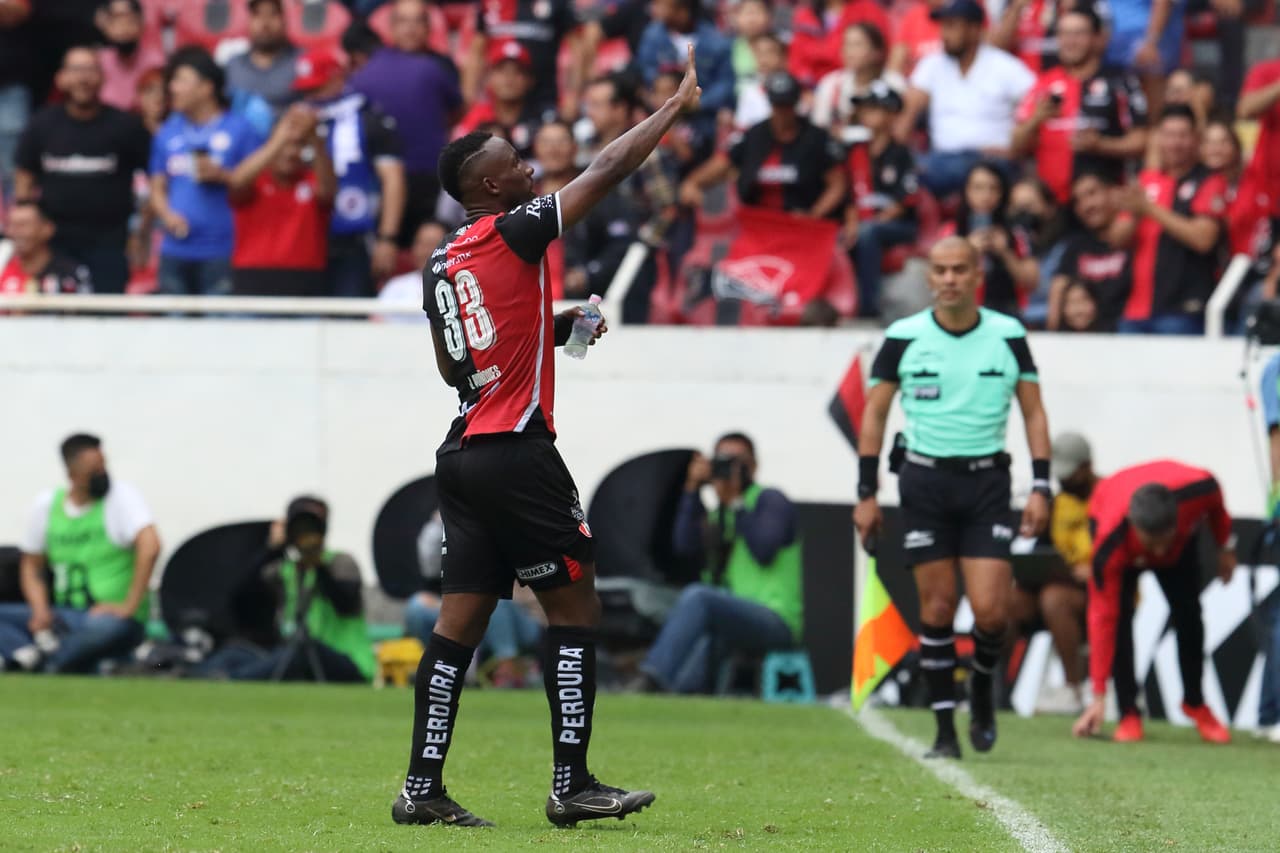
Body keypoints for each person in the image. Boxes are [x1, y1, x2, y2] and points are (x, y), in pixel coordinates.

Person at [391, 43, 702, 830]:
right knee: (574, 607)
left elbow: (454, 362)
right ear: (489, 185)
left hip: (461, 453)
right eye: (516, 163)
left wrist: (553, 322)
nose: (531, 168)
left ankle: (420, 785)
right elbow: (606, 168)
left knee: (457, 625)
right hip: (517, 451)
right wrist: (672, 109)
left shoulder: (440, 261)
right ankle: (573, 783)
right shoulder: (513, 228)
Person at [854, 235, 1052, 759]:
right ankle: (944, 731)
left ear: (977, 273)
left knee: (991, 612)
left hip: (987, 483)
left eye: (959, 269)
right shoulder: (904, 335)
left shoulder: (1008, 334)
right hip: (924, 483)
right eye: (939, 270)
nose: (948, 279)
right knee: (938, 608)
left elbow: (1033, 411)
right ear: (928, 277)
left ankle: (982, 687)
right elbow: (874, 413)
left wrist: (1041, 485)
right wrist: (866, 491)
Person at [1070, 461, 1234, 744]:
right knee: (1119, 620)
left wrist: (1224, 547)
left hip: (1179, 548)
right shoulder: (1109, 543)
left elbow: (1218, 506)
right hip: (1115, 523)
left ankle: (1195, 703)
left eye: (1163, 541)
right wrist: (1098, 695)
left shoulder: (1199, 491)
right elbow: (1101, 618)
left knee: (1190, 616)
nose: (1157, 551)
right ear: (1135, 525)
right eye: (1151, 543)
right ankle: (1128, 713)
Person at [632, 433, 802, 694]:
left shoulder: (769, 500)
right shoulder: (718, 513)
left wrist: (735, 501)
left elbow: (764, 550)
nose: (727, 466)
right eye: (721, 460)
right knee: (682, 689)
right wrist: (691, 490)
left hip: (775, 619)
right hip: (726, 620)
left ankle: (650, 679)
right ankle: (663, 689)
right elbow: (684, 546)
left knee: (699, 597)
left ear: (753, 466)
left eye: (736, 460)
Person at [0, 434, 160, 674]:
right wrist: (40, 610)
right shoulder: (47, 505)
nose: (102, 474)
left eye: (103, 466)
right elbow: (31, 565)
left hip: (108, 618)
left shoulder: (120, 498)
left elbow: (151, 546)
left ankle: (48, 665)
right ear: (72, 475)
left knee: (105, 630)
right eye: (93, 470)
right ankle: (26, 652)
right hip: (62, 615)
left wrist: (129, 606)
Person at [13, 45, 150, 295]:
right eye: (76, 70)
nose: (83, 78)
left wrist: (141, 232)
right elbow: (23, 176)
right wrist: (29, 226)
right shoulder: (42, 125)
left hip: (110, 243)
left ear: (102, 77)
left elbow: (152, 179)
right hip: (54, 245)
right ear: (61, 78)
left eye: (90, 70)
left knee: (108, 321)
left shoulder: (126, 126)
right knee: (52, 320)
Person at [195, 497, 374, 682]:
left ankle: (233, 680)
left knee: (303, 649)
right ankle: (193, 677)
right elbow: (241, 597)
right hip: (290, 655)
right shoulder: (284, 569)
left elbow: (346, 602)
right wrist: (273, 549)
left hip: (345, 660)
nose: (305, 532)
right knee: (235, 654)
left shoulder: (340, 562)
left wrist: (318, 565)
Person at [150, 48, 264, 297]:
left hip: (223, 251)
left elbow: (256, 192)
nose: (173, 88)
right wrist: (167, 216)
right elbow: (157, 186)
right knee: (172, 330)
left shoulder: (240, 130)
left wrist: (224, 176)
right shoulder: (168, 131)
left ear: (206, 87)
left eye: (181, 80)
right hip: (174, 251)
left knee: (220, 331)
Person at [294, 46, 405, 299]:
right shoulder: (296, 118)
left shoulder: (368, 118)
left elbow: (393, 179)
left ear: (337, 78)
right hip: (305, 237)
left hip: (355, 236)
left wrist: (387, 237)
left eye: (316, 87)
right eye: (305, 90)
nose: (310, 96)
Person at [1010, 5, 1148, 206]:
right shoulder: (1043, 84)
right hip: (1051, 202)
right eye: (1064, 34)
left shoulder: (1121, 82)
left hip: (1104, 202)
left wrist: (1101, 145)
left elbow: (1142, 140)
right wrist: (1036, 120)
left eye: (1078, 34)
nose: (1069, 41)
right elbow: (1016, 146)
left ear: (1098, 38)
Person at [567, 72, 678, 321]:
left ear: (620, 109)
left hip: (631, 260)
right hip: (589, 251)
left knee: (628, 328)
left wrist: (640, 246)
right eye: (588, 105)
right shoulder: (583, 150)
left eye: (597, 105)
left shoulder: (647, 152)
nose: (589, 112)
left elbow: (667, 208)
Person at [898, 0, 1035, 198]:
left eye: (952, 26)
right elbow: (906, 117)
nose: (944, 34)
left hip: (992, 160)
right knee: (908, 169)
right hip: (942, 159)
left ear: (974, 30)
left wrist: (1015, 147)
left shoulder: (1004, 66)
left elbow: (1038, 101)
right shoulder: (932, 65)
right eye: (943, 26)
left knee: (966, 171)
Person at [351, 0, 462, 244]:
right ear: (391, 27)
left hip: (429, 179)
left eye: (417, 22)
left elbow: (458, 111)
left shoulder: (440, 66)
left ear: (428, 27)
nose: (410, 29)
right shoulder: (370, 70)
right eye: (403, 21)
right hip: (379, 180)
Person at [679, 72, 847, 221]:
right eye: (777, 105)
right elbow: (721, 164)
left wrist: (813, 215)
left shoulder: (817, 138)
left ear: (796, 103)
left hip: (801, 223)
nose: (782, 112)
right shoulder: (753, 136)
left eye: (787, 105)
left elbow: (838, 184)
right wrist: (693, 182)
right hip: (757, 224)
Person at [1119, 104, 1227, 334]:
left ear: (1196, 139)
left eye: (1182, 135)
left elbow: (1203, 239)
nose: (1175, 143)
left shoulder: (1209, 181)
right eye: (1168, 135)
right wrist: (1132, 214)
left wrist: (1148, 208)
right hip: (1134, 310)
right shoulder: (1146, 180)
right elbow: (1118, 239)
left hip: (1182, 310)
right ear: (1158, 138)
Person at [1011, 431, 1094, 714]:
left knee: (1054, 599)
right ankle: (992, 691)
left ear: (1086, 468)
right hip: (1060, 584)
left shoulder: (1108, 496)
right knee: (1009, 602)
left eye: (1070, 474)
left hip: (1102, 593)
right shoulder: (1057, 503)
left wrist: (1095, 568)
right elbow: (1043, 553)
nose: (1065, 480)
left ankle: (1073, 689)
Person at [227, 103, 336, 297]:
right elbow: (236, 182)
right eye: (285, 145)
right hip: (253, 279)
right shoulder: (256, 182)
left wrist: (315, 139)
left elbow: (327, 193)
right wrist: (279, 139)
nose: (290, 152)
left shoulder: (312, 180)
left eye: (299, 145)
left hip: (305, 280)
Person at [845, 81, 919, 318]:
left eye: (873, 108)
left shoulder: (901, 152)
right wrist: (852, 222)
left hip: (899, 225)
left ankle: (868, 309)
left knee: (869, 233)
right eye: (864, 109)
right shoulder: (855, 151)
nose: (866, 114)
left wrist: (873, 221)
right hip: (866, 221)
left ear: (891, 115)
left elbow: (906, 198)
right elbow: (848, 195)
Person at [938, 161, 1040, 318]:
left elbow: (1031, 282)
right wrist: (967, 252)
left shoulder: (1016, 232)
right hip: (962, 315)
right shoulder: (951, 232)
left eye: (993, 188)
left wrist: (1006, 253)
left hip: (1007, 314)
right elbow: (938, 280)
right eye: (978, 188)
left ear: (1002, 193)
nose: (986, 196)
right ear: (966, 191)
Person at [468, 0, 588, 119]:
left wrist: (573, 96)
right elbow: (476, 52)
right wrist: (470, 97)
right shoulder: (489, 3)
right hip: (497, 101)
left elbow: (578, 51)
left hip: (544, 96)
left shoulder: (557, 3)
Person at [1048, 170, 1134, 331]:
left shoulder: (1136, 240)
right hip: (1086, 339)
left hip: (1130, 333)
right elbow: (1057, 299)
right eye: (1078, 201)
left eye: (1092, 193)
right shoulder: (1075, 246)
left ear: (1113, 193)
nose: (1087, 205)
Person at [636, 0, 735, 134]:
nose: (656, 9)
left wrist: (698, 103)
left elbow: (725, 83)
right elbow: (646, 70)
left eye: (665, 6)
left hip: (703, 116)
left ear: (683, 11)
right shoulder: (652, 35)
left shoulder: (716, 41)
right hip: (661, 110)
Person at [453, 41, 547, 160]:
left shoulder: (543, 119)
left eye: (518, 71)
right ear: (488, 78)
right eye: (501, 71)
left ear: (530, 80)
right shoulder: (475, 118)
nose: (509, 78)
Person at [810, 23, 906, 134]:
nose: (850, 52)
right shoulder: (831, 83)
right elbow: (819, 127)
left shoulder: (894, 83)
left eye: (857, 45)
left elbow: (901, 129)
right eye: (846, 44)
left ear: (877, 52)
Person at [788, 0, 893, 90]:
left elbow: (882, 49)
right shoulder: (806, 14)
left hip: (861, 83)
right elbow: (796, 59)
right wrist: (804, 90)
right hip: (809, 90)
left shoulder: (869, 10)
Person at [225, 0, 300, 119]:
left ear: (284, 20)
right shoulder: (234, 65)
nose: (265, 23)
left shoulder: (301, 62)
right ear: (248, 21)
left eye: (273, 14)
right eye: (257, 15)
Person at [0, 199, 94, 294]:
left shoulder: (70, 275)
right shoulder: (2, 266)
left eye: (23, 225)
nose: (13, 232)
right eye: (10, 225)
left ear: (47, 229)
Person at [95, 0, 165, 112]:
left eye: (130, 20)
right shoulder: (97, 62)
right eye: (116, 20)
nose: (123, 27)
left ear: (141, 24)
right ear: (105, 26)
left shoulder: (157, 62)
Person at [379, 220, 446, 320]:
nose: (426, 252)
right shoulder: (394, 287)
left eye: (433, 245)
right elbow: (375, 323)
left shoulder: (459, 285)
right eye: (422, 244)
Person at [733, 32, 787, 131]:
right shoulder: (748, 92)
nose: (764, 59)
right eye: (759, 53)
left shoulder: (792, 89)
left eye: (770, 52)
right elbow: (742, 126)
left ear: (782, 57)